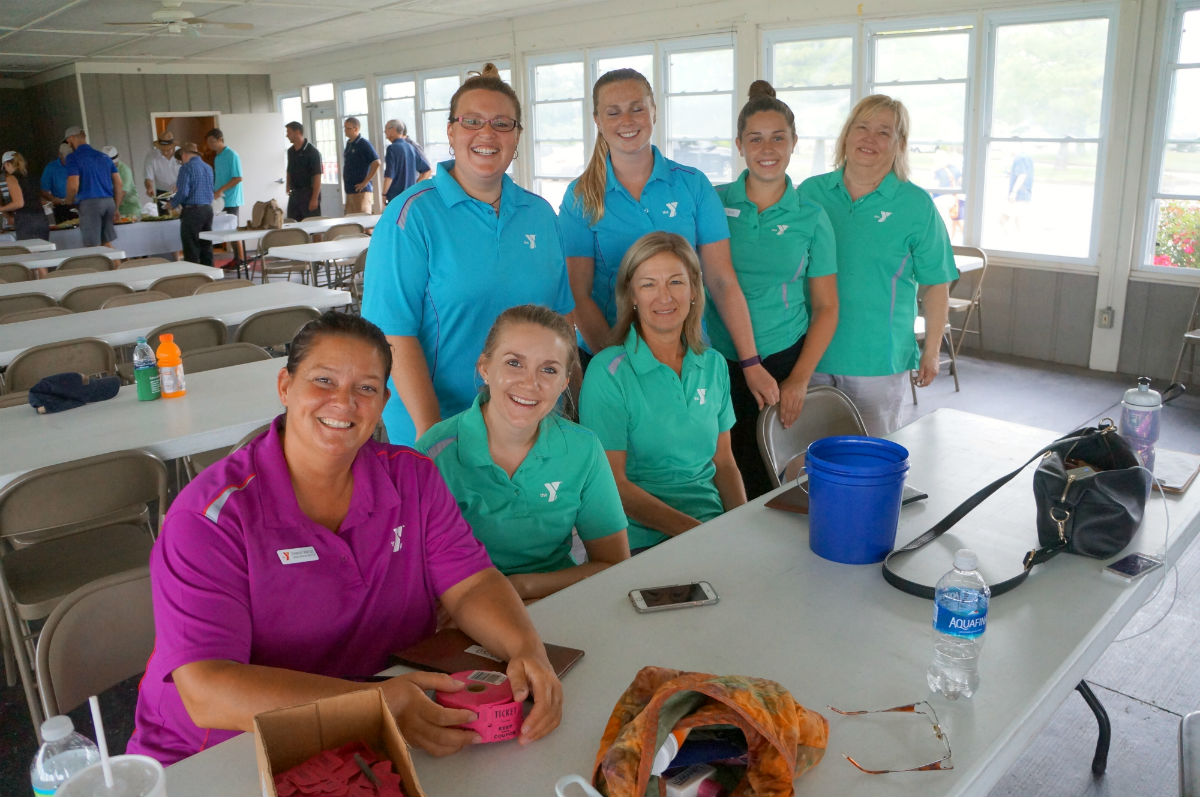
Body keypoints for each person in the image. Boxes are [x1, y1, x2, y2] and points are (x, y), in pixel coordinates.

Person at [125, 311, 563, 767]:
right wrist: (374, 704)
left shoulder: (412, 478)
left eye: (366, 388)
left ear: (383, 402)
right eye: (323, 381)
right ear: (284, 386)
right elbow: (208, 690)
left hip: (373, 726)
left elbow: (472, 583)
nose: (344, 402)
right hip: (224, 751)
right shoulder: (211, 517)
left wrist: (526, 650)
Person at [362, 63, 574, 446]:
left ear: (517, 136)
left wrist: (559, 410)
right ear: (451, 131)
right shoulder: (411, 216)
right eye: (472, 121)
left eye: (502, 123)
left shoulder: (540, 214)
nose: (487, 134)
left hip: (531, 422)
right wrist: (434, 435)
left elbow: (559, 319)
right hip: (442, 424)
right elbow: (393, 334)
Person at [558, 69, 778, 415]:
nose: (627, 120)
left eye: (637, 108)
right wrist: (618, 365)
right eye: (613, 112)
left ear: (655, 111)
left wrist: (750, 363)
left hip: (688, 353)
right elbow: (577, 293)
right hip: (608, 355)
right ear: (597, 120)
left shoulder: (692, 185)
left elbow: (721, 280)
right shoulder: (580, 196)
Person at [416, 305, 629, 600]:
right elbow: (416, 575)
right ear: (485, 368)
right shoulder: (434, 455)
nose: (530, 382)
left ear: (564, 382)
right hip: (464, 611)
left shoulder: (583, 448)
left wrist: (521, 586)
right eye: (514, 363)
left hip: (558, 598)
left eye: (549, 369)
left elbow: (614, 564)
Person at [798, 95, 957, 436]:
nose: (869, 139)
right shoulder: (811, 193)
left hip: (878, 360)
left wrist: (930, 351)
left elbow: (935, 284)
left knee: (868, 459)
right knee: (804, 460)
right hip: (810, 353)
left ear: (899, 144)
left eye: (884, 132)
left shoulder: (915, 205)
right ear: (846, 135)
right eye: (862, 127)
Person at [579, 232, 745, 553]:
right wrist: (700, 535)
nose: (664, 296)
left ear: (694, 289)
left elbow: (724, 462)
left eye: (676, 282)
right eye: (648, 284)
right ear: (632, 295)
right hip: (639, 541)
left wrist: (740, 528)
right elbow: (612, 484)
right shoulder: (608, 372)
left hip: (711, 526)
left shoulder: (714, 365)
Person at [712, 81, 839, 498]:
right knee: (722, 475)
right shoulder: (711, 203)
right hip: (716, 359)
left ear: (794, 142)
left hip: (782, 359)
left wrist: (800, 379)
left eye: (778, 138)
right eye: (756, 138)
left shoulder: (811, 216)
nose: (767, 148)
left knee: (774, 477)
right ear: (739, 145)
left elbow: (825, 307)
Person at [64, 125, 122, 248]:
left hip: (90, 204)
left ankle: (99, 267)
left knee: (92, 246)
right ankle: (121, 266)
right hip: (108, 202)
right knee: (105, 242)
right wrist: (116, 207)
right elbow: (118, 183)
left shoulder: (73, 157)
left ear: (71, 139)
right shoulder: (104, 157)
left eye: (68, 141)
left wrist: (68, 201)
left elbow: (73, 185)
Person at [169, 142, 215, 266]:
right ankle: (210, 277)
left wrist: (172, 203)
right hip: (207, 209)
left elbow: (183, 192)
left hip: (192, 211)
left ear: (184, 155)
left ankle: (194, 277)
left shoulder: (186, 168)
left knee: (191, 248)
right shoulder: (208, 167)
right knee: (206, 246)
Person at [0, 151, 51, 242]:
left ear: (7, 164)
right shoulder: (31, 177)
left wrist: (2, 209)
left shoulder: (11, 178)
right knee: (44, 250)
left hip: (25, 219)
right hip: (41, 217)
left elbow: (18, 203)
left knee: (29, 252)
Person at [382, 119, 431, 204]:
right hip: (410, 196)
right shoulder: (411, 147)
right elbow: (426, 169)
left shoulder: (392, 148)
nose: (385, 134)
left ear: (393, 129)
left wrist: (384, 194)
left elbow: (389, 176)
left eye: (386, 130)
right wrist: (414, 187)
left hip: (396, 197)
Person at [285, 121, 323, 221]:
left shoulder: (312, 152)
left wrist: (314, 199)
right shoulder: (290, 151)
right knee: (293, 224)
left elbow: (317, 176)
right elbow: (289, 169)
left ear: (297, 132)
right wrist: (288, 185)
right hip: (295, 194)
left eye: (289, 133)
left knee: (314, 225)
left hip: (309, 194)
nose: (287, 135)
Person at [342, 116, 381, 214]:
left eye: (348, 128)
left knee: (363, 221)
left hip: (361, 191)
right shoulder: (349, 143)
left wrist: (365, 182)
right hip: (350, 189)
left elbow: (376, 162)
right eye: (345, 128)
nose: (345, 131)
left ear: (356, 129)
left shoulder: (363, 144)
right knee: (350, 222)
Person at [206, 128, 243, 221]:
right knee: (220, 228)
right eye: (208, 142)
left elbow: (238, 178)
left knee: (231, 229)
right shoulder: (217, 157)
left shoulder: (232, 155)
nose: (210, 145)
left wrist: (220, 191)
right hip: (219, 200)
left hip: (231, 200)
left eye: (212, 142)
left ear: (220, 140)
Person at [144, 130, 180, 215]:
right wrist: (149, 187)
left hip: (181, 191)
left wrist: (181, 185)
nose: (165, 152)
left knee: (182, 218)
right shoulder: (151, 156)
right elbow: (148, 177)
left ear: (173, 146)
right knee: (164, 219)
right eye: (162, 149)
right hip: (162, 193)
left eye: (168, 149)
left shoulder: (182, 153)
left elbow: (188, 174)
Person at [101, 146, 142, 220]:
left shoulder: (124, 170)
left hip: (130, 210)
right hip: (113, 209)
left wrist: (114, 209)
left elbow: (121, 192)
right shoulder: (101, 170)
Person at [40, 142, 74, 224]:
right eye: (66, 158)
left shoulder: (77, 164)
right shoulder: (51, 168)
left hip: (79, 203)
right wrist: (53, 199)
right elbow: (44, 190)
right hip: (62, 206)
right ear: (59, 155)